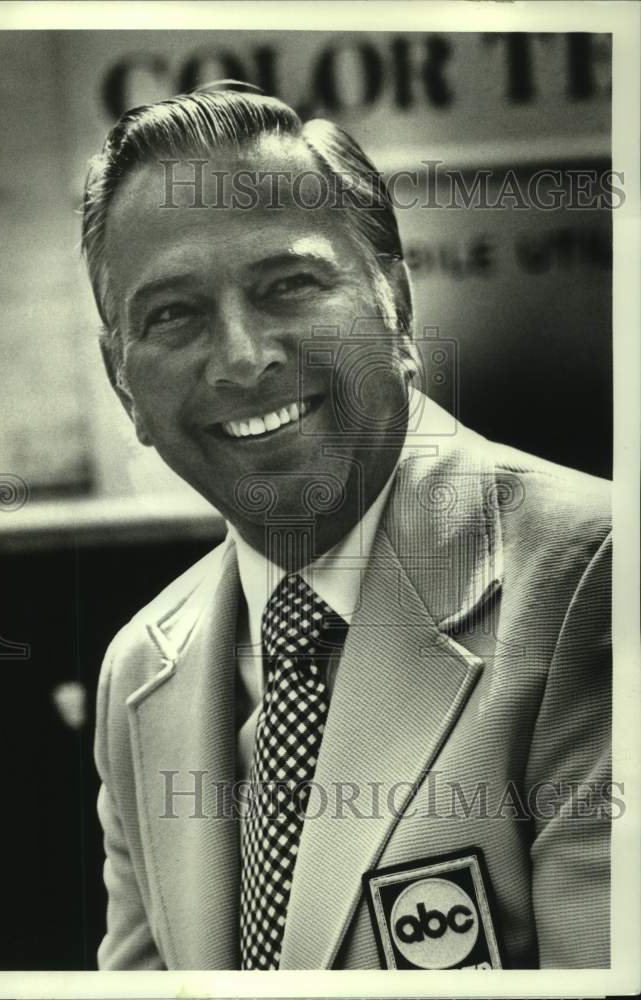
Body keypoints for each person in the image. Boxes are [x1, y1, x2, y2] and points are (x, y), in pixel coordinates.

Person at [82, 84, 611, 971]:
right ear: (123, 383)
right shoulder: (141, 669)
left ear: (395, 308)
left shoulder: (594, 575)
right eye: (172, 314)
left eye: (287, 284)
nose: (244, 358)